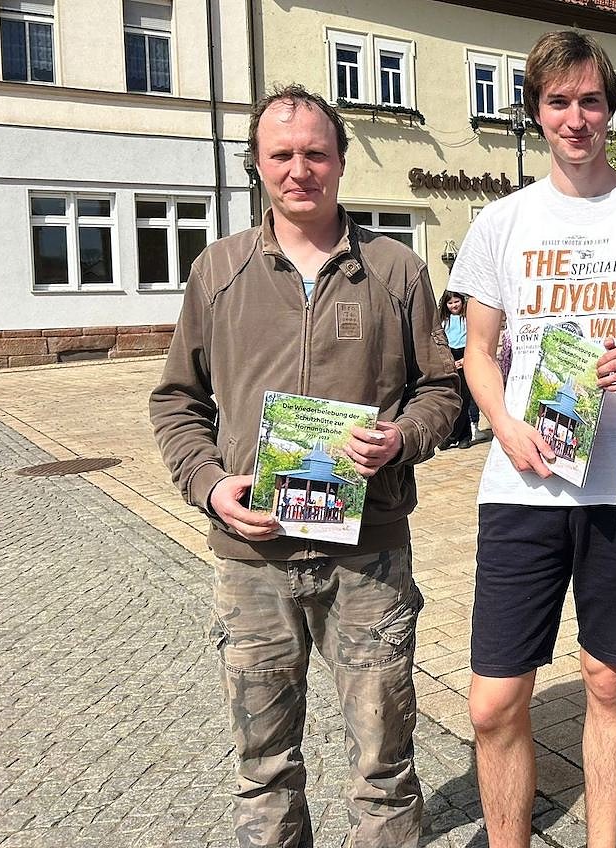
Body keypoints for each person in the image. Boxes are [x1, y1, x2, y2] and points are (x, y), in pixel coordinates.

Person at [149, 84, 460, 848]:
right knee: (263, 766)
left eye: (316, 153)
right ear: (257, 165)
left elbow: (442, 390)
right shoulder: (218, 272)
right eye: (281, 154)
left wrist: (400, 438)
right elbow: (177, 402)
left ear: (342, 161)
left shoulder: (396, 270)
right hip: (252, 562)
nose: (300, 169)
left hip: (368, 558)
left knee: (385, 766)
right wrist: (211, 486)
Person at [448, 30, 616, 848]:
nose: (576, 118)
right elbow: (477, 352)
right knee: (493, 701)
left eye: (591, 101)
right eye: (558, 102)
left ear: (610, 110)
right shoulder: (502, 221)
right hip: (524, 480)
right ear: (536, 111)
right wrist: (504, 426)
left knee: (607, 680)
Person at [438, 288, 486, 449]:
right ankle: (464, 436)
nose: (454, 305)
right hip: (450, 357)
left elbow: (475, 339)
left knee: (464, 398)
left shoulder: (468, 318)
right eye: (450, 303)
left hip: (466, 355)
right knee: (453, 398)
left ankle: (452, 436)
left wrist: (466, 359)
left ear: (462, 301)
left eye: (456, 301)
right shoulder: (443, 320)